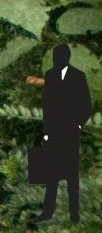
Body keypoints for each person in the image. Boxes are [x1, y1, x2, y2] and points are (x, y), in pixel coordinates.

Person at [35, 43, 91, 223]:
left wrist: (78, 126)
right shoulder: (50, 75)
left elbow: (86, 104)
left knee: (71, 174)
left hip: (70, 131)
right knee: (52, 174)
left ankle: (74, 213)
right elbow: (47, 105)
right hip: (53, 131)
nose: (56, 60)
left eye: (59, 57)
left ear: (66, 57)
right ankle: (47, 211)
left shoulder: (78, 76)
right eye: (55, 57)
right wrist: (46, 132)